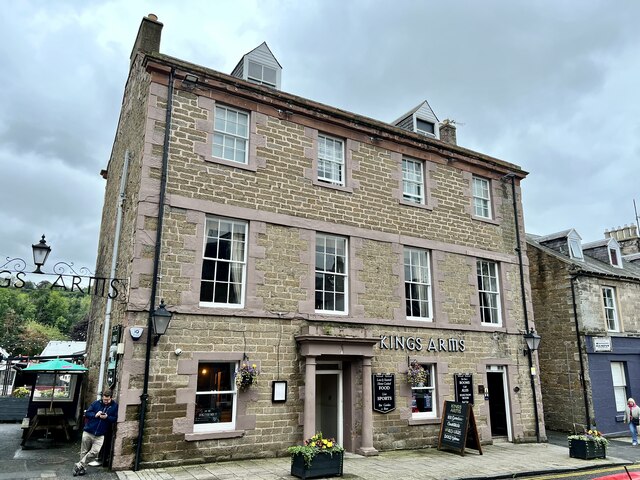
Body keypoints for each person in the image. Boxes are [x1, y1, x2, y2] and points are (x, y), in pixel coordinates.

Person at [73, 390, 118, 476]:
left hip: (100, 434)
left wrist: (107, 417)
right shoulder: (96, 403)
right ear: (102, 397)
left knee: (95, 452)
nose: (105, 401)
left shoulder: (114, 406)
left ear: (111, 398)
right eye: (104, 399)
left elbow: (115, 419)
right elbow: (87, 413)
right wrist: (95, 415)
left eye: (107, 400)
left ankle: (79, 465)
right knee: (84, 451)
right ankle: (82, 469)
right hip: (88, 431)